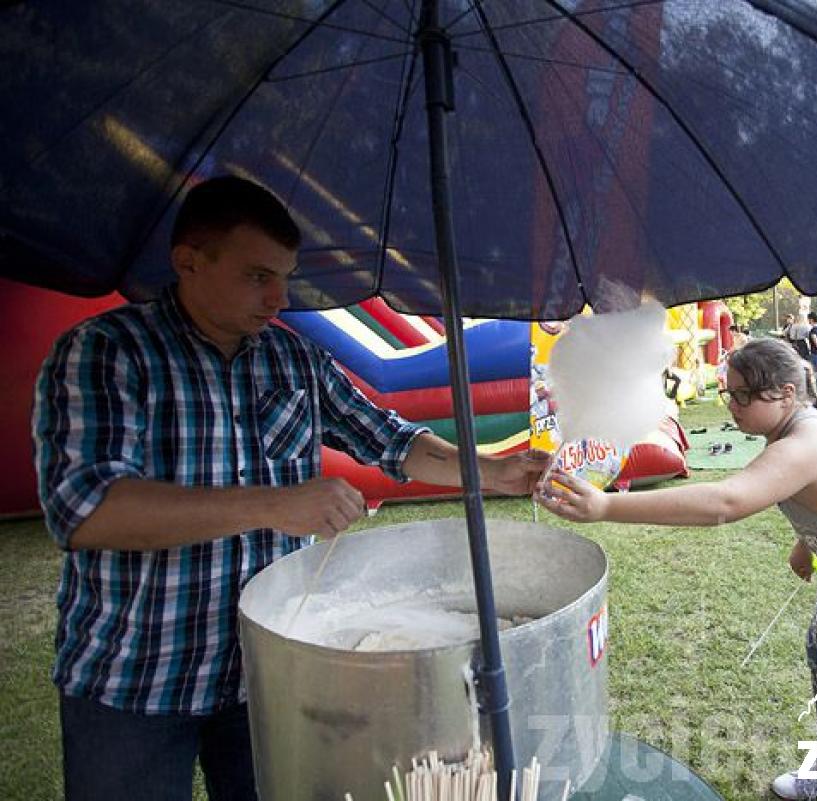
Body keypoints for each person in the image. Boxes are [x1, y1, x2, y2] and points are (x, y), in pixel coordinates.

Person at [32, 176, 550, 801]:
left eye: (284, 276)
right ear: (189, 262)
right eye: (257, 276)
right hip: (134, 677)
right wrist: (278, 504)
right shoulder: (106, 352)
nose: (278, 298)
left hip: (269, 674)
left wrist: (495, 470)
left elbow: (389, 439)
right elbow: (87, 510)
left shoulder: (292, 358)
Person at [536, 338, 817, 801]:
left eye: (743, 395)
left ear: (784, 393)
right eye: (729, 393)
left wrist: (605, 507)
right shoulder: (795, 433)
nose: (733, 405)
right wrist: (808, 545)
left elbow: (728, 500)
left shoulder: (810, 440)